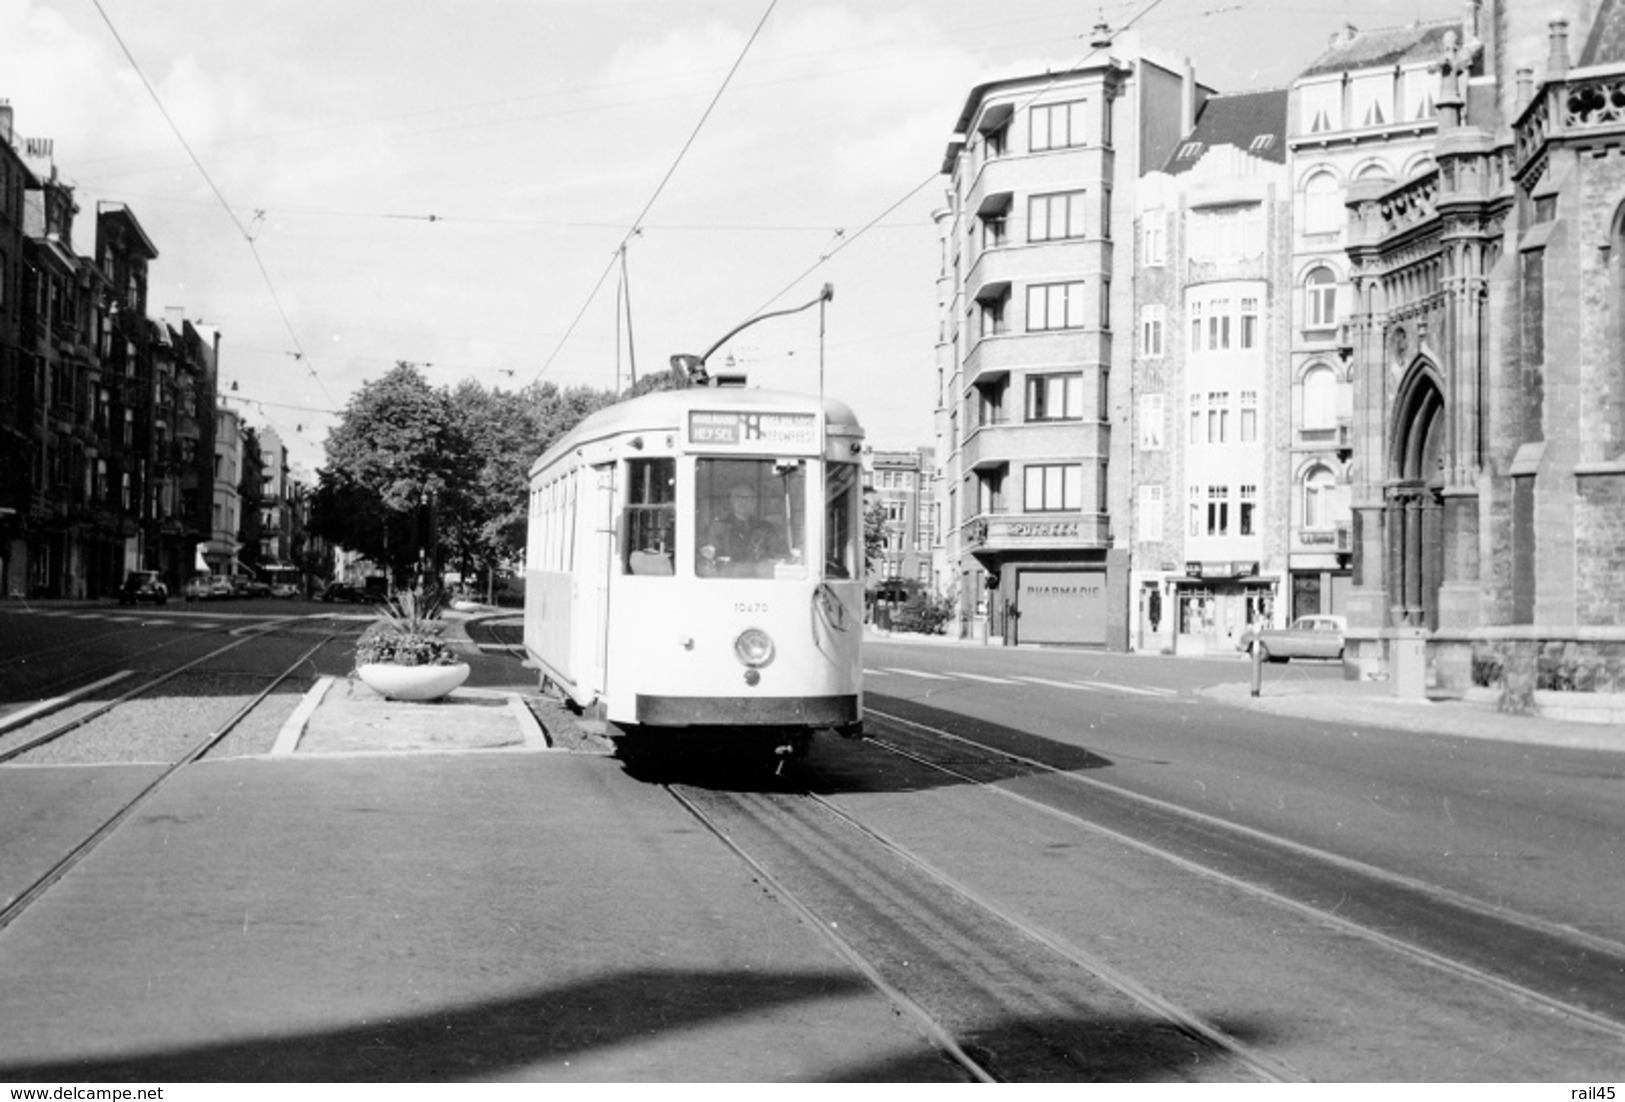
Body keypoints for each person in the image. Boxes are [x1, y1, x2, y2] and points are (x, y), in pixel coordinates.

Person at [701, 484, 785, 571]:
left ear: (754, 502)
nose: (743, 501)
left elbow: (777, 553)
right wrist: (710, 552)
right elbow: (712, 551)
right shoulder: (719, 527)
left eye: (748, 498)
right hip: (727, 578)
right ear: (732, 500)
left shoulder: (766, 527)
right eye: (739, 497)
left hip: (758, 578)